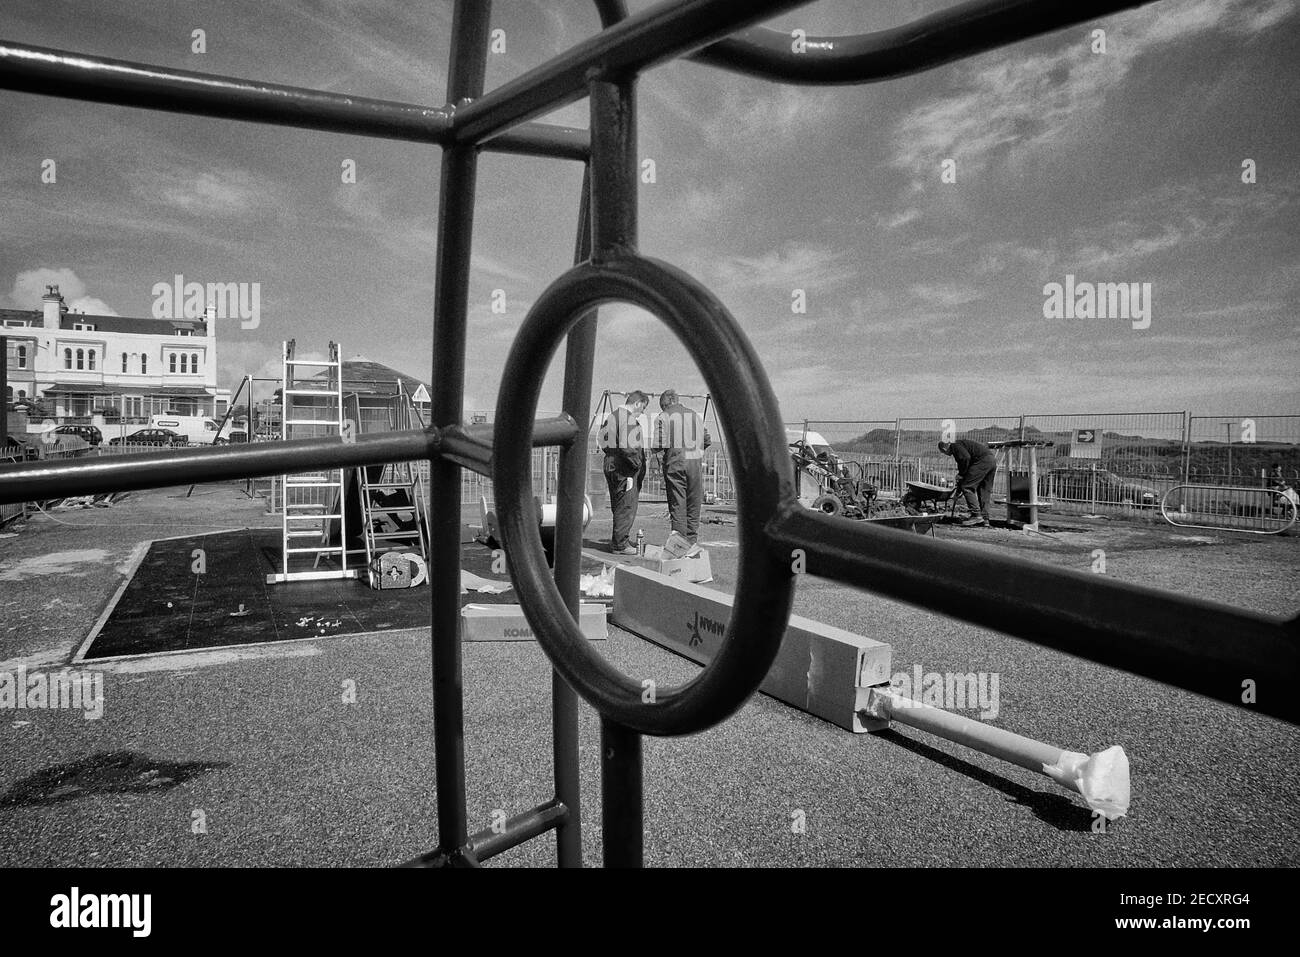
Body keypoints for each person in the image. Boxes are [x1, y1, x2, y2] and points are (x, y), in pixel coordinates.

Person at [654, 389, 712, 544]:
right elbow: (706, 439)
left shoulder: (663, 417)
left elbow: (659, 444)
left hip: (676, 463)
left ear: (665, 403)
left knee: (678, 505)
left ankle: (679, 545)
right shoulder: (695, 416)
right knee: (694, 503)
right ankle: (692, 543)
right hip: (695, 463)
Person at [599, 390, 650, 554]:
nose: (642, 412)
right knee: (626, 504)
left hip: (611, 463)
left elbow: (602, 439)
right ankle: (620, 544)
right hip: (624, 467)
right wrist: (637, 464)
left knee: (618, 502)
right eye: (643, 408)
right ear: (637, 403)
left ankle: (619, 539)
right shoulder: (627, 419)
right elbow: (628, 447)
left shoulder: (612, 416)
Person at [939, 437, 997, 527]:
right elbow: (966, 465)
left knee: (967, 487)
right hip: (991, 461)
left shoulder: (955, 446)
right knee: (984, 490)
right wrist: (958, 488)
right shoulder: (961, 446)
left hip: (982, 461)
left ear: (944, 448)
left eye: (943, 452)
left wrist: (961, 474)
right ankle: (985, 519)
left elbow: (965, 459)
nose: (946, 454)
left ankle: (976, 515)